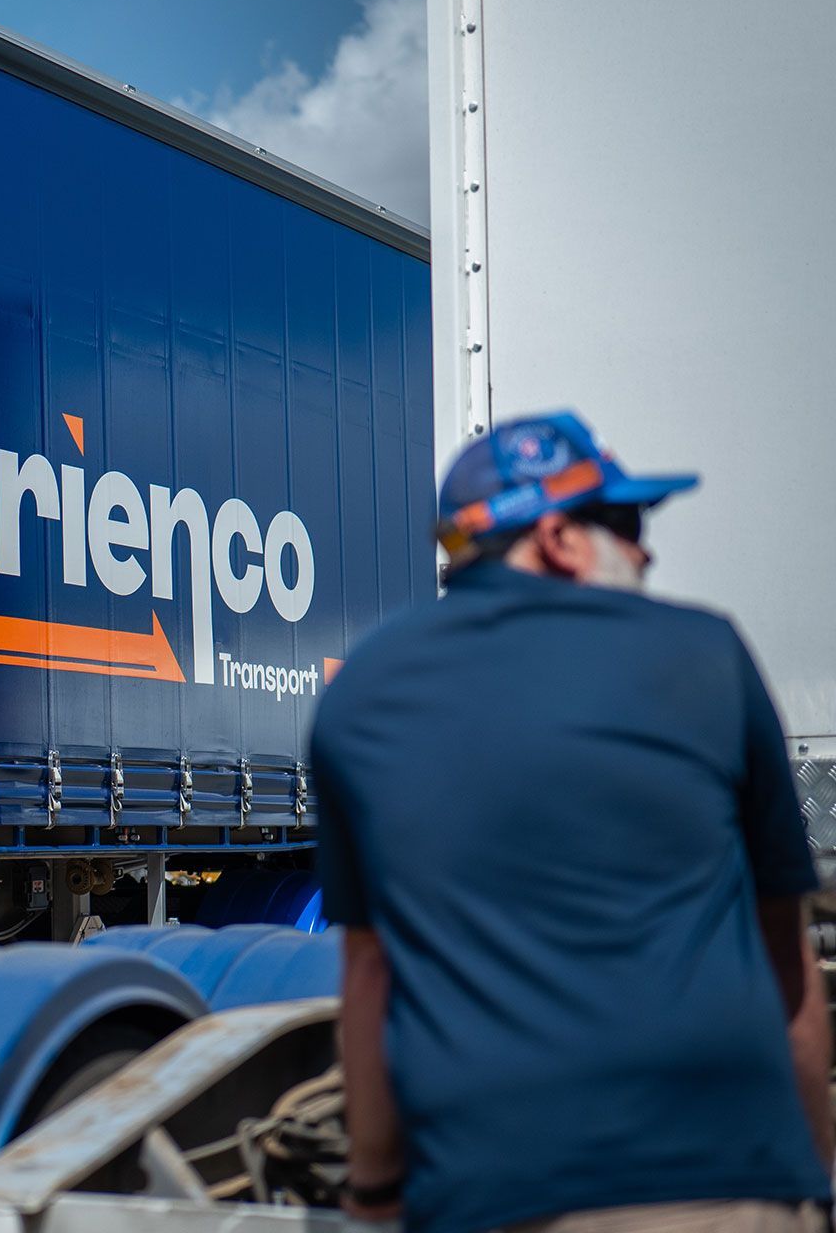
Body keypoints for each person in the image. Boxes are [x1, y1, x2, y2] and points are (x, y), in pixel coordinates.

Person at [310, 412, 833, 1233]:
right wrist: (817, 1169)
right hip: (717, 1182)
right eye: (626, 525)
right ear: (557, 539)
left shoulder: (361, 692)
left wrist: (375, 1189)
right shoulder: (703, 655)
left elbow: (370, 970)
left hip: (485, 1195)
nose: (645, 552)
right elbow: (782, 950)